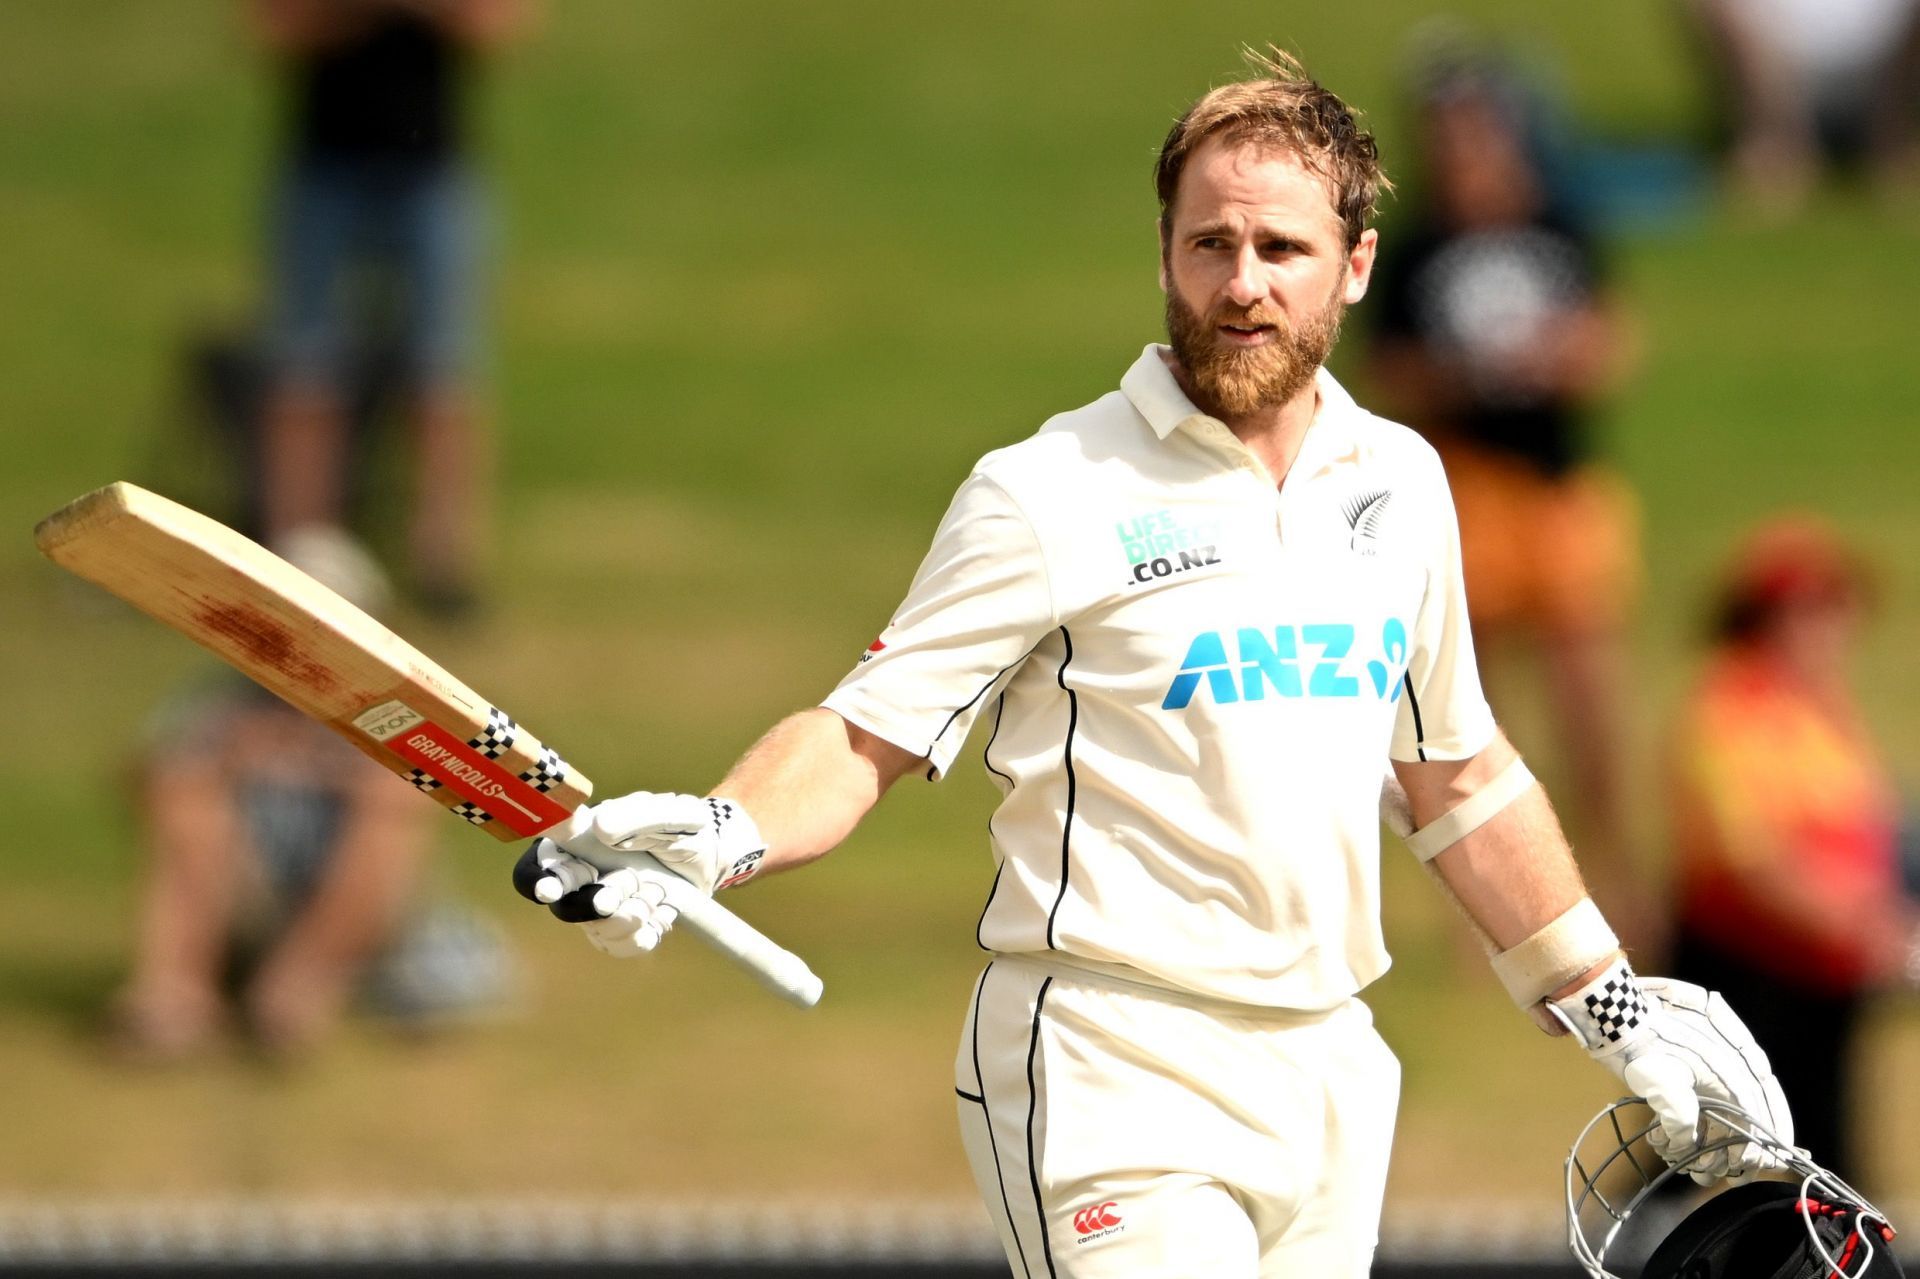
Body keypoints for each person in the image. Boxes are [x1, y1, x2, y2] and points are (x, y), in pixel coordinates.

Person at [514, 50, 1790, 1277]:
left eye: (1282, 249)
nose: (1243, 284)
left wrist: (1612, 1005)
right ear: (1166, 253)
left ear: (1355, 268)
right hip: (1109, 1060)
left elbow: (1454, 772)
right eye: (1211, 244)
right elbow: (863, 735)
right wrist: (722, 832)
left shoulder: (1401, 483)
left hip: (1331, 1065)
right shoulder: (1048, 490)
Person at [1363, 47, 1654, 950]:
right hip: (1466, 490)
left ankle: (1614, 873)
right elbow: (1387, 369)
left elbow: (1610, 337)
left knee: (1588, 695)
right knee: (1473, 708)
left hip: (1558, 487)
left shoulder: (1558, 226)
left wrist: (1557, 357)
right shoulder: (1415, 252)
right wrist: (1464, 374)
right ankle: (1493, 903)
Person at [108, 527, 513, 1061]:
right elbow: (148, 778)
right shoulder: (227, 698)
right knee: (185, 789)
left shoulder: (393, 706)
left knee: (391, 801)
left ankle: (301, 984)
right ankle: (177, 987)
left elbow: (470, 789)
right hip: (249, 884)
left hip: (364, 905)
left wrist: (337, 767)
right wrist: (231, 754)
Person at [249, 0, 530, 613]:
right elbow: (274, 31)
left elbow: (499, 28)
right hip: (324, 167)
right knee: (306, 371)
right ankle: (291, 559)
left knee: (443, 375)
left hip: (434, 170)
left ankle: (444, 567)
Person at [1667, 517, 1915, 1185]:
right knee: (1699, 1151)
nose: (1832, 628)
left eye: (1836, 606)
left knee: (1827, 1160)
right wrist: (1870, 929)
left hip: (1820, 980)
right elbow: (1755, 862)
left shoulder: (1820, 713)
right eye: (1809, 609)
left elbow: (1871, 832)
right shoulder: (1730, 708)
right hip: (1748, 976)